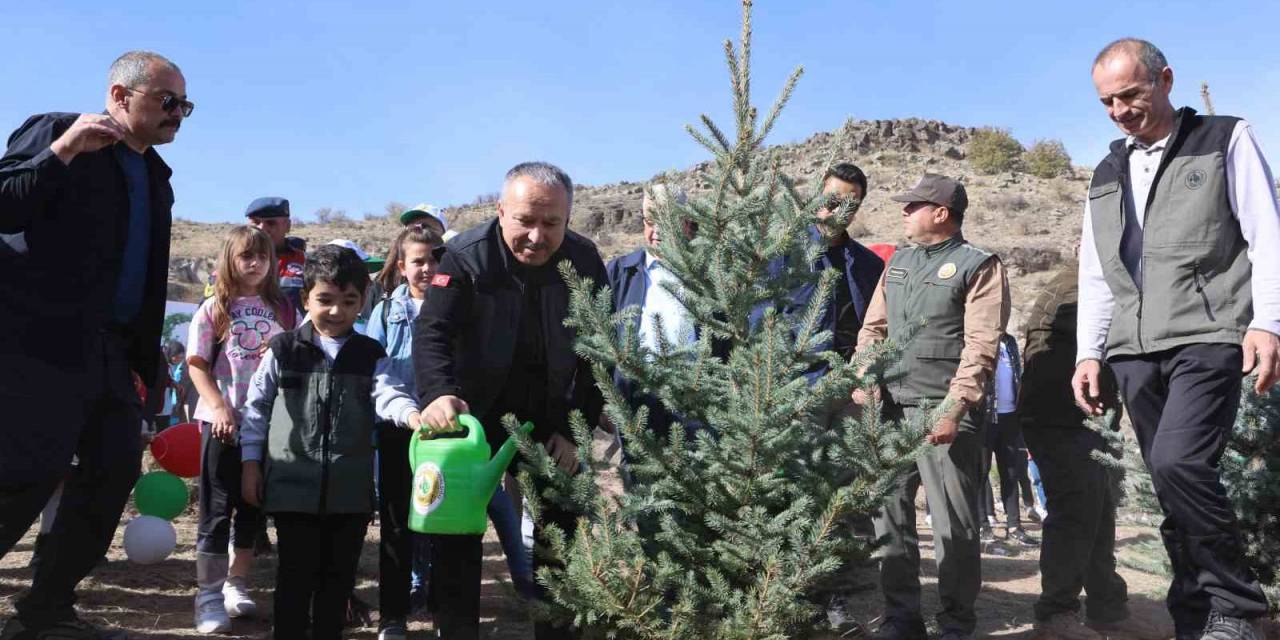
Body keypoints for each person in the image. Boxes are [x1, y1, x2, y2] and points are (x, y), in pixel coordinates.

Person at [1073, 38, 1280, 640]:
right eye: (1107, 102)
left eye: (1130, 95)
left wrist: (1267, 322)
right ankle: (1195, 617)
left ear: (1165, 80)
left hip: (1208, 335)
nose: (1119, 111)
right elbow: (1096, 269)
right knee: (1170, 483)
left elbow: (1267, 236)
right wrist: (1091, 350)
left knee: (1179, 461)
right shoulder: (1107, 170)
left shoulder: (1224, 138)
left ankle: (1237, 607)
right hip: (1134, 351)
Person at [0, 50, 189, 639]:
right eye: (167, 101)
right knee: (28, 472)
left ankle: (47, 609)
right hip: (38, 343)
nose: (178, 114)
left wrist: (141, 359)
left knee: (110, 474)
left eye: (185, 105)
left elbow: (146, 274)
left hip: (112, 355)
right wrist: (60, 155)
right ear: (119, 95)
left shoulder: (157, 176)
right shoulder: (58, 131)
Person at [414, 161, 608, 639]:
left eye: (551, 224)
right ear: (501, 211)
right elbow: (433, 332)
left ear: (568, 218)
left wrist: (575, 428)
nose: (537, 237)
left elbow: (601, 350)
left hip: (550, 418)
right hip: (472, 419)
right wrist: (439, 394)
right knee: (457, 537)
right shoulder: (463, 257)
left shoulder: (584, 262)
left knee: (559, 541)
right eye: (526, 220)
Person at [239, 245, 423, 640]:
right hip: (291, 491)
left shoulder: (370, 355)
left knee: (336, 583)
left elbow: (388, 393)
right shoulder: (283, 350)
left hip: (349, 496)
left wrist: (412, 415)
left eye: (349, 301)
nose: (336, 311)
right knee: (293, 579)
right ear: (306, 299)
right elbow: (256, 410)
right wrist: (251, 463)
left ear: (362, 303)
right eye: (325, 300)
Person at [854, 173, 1010, 640]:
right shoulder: (897, 262)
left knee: (954, 527)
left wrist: (954, 406)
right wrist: (862, 375)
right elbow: (873, 329)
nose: (904, 212)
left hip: (944, 415)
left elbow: (982, 344)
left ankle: (956, 624)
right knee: (890, 521)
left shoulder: (978, 265)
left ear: (941, 213)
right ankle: (902, 618)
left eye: (912, 206)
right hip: (891, 412)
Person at [1022, 260, 1167, 640]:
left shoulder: (1089, 283)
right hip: (1059, 419)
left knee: (1099, 512)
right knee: (1074, 513)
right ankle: (1056, 613)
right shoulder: (1078, 289)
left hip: (1084, 420)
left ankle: (1107, 607)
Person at [185, 226, 297, 633]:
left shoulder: (284, 309)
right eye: (246, 256)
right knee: (216, 510)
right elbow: (196, 363)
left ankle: (236, 583)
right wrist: (218, 408)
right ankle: (208, 597)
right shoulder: (215, 307)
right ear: (229, 260)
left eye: (263, 256)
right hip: (221, 424)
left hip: (266, 426)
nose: (255, 263)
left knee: (252, 506)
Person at [606, 183, 700, 440]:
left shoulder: (706, 274)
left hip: (695, 407)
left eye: (666, 220)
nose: (656, 230)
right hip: (635, 405)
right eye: (650, 220)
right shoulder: (620, 272)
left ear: (686, 223)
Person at [978, 333, 1038, 546]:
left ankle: (1014, 526)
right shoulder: (981, 337)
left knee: (1011, 473)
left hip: (1010, 417)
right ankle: (982, 524)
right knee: (981, 472)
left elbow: (1017, 376)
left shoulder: (1010, 342)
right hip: (986, 417)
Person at [245, 197, 307, 316]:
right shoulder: (233, 263)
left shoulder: (306, 263)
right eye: (256, 222)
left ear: (287, 226)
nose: (262, 228)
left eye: (271, 223)